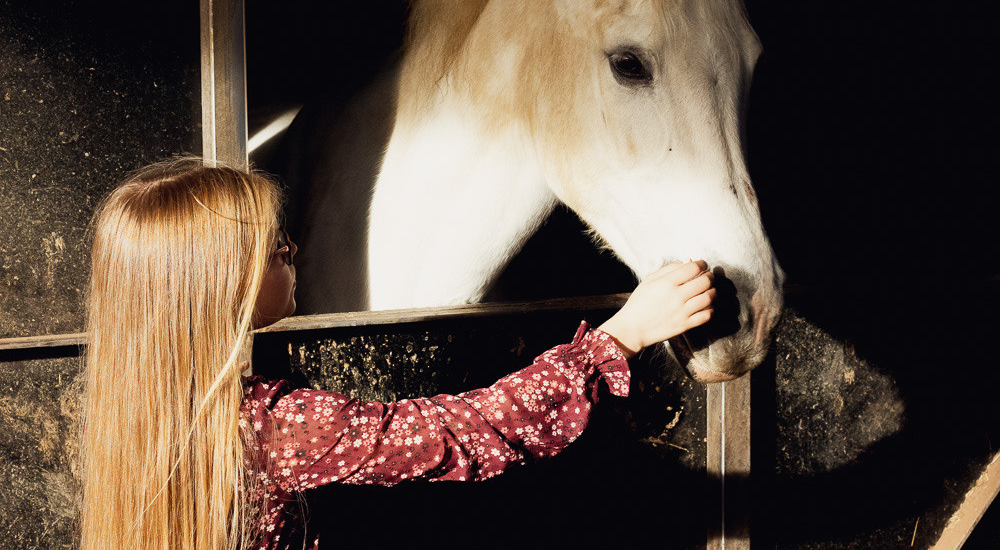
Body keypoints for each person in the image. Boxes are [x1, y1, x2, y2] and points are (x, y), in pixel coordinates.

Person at [80, 157, 716, 550]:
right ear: (219, 281)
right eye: (273, 245)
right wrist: (621, 336)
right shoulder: (273, 427)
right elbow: (460, 433)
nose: (290, 250)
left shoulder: (133, 414)